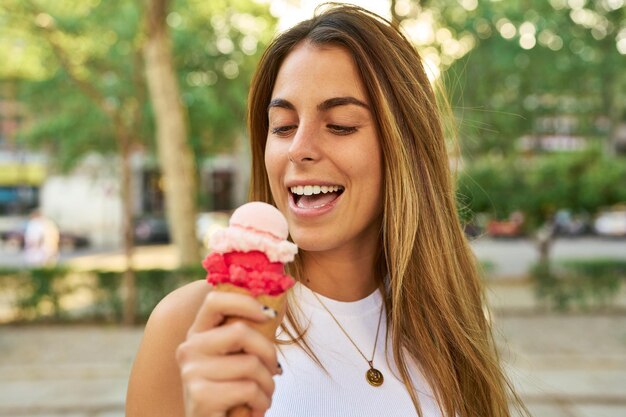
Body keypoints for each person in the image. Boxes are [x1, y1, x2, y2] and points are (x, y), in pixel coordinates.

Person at [126, 5, 528, 417]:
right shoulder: (191, 324)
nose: (298, 148)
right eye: (282, 126)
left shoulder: (446, 319)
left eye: (340, 125)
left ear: (406, 148)